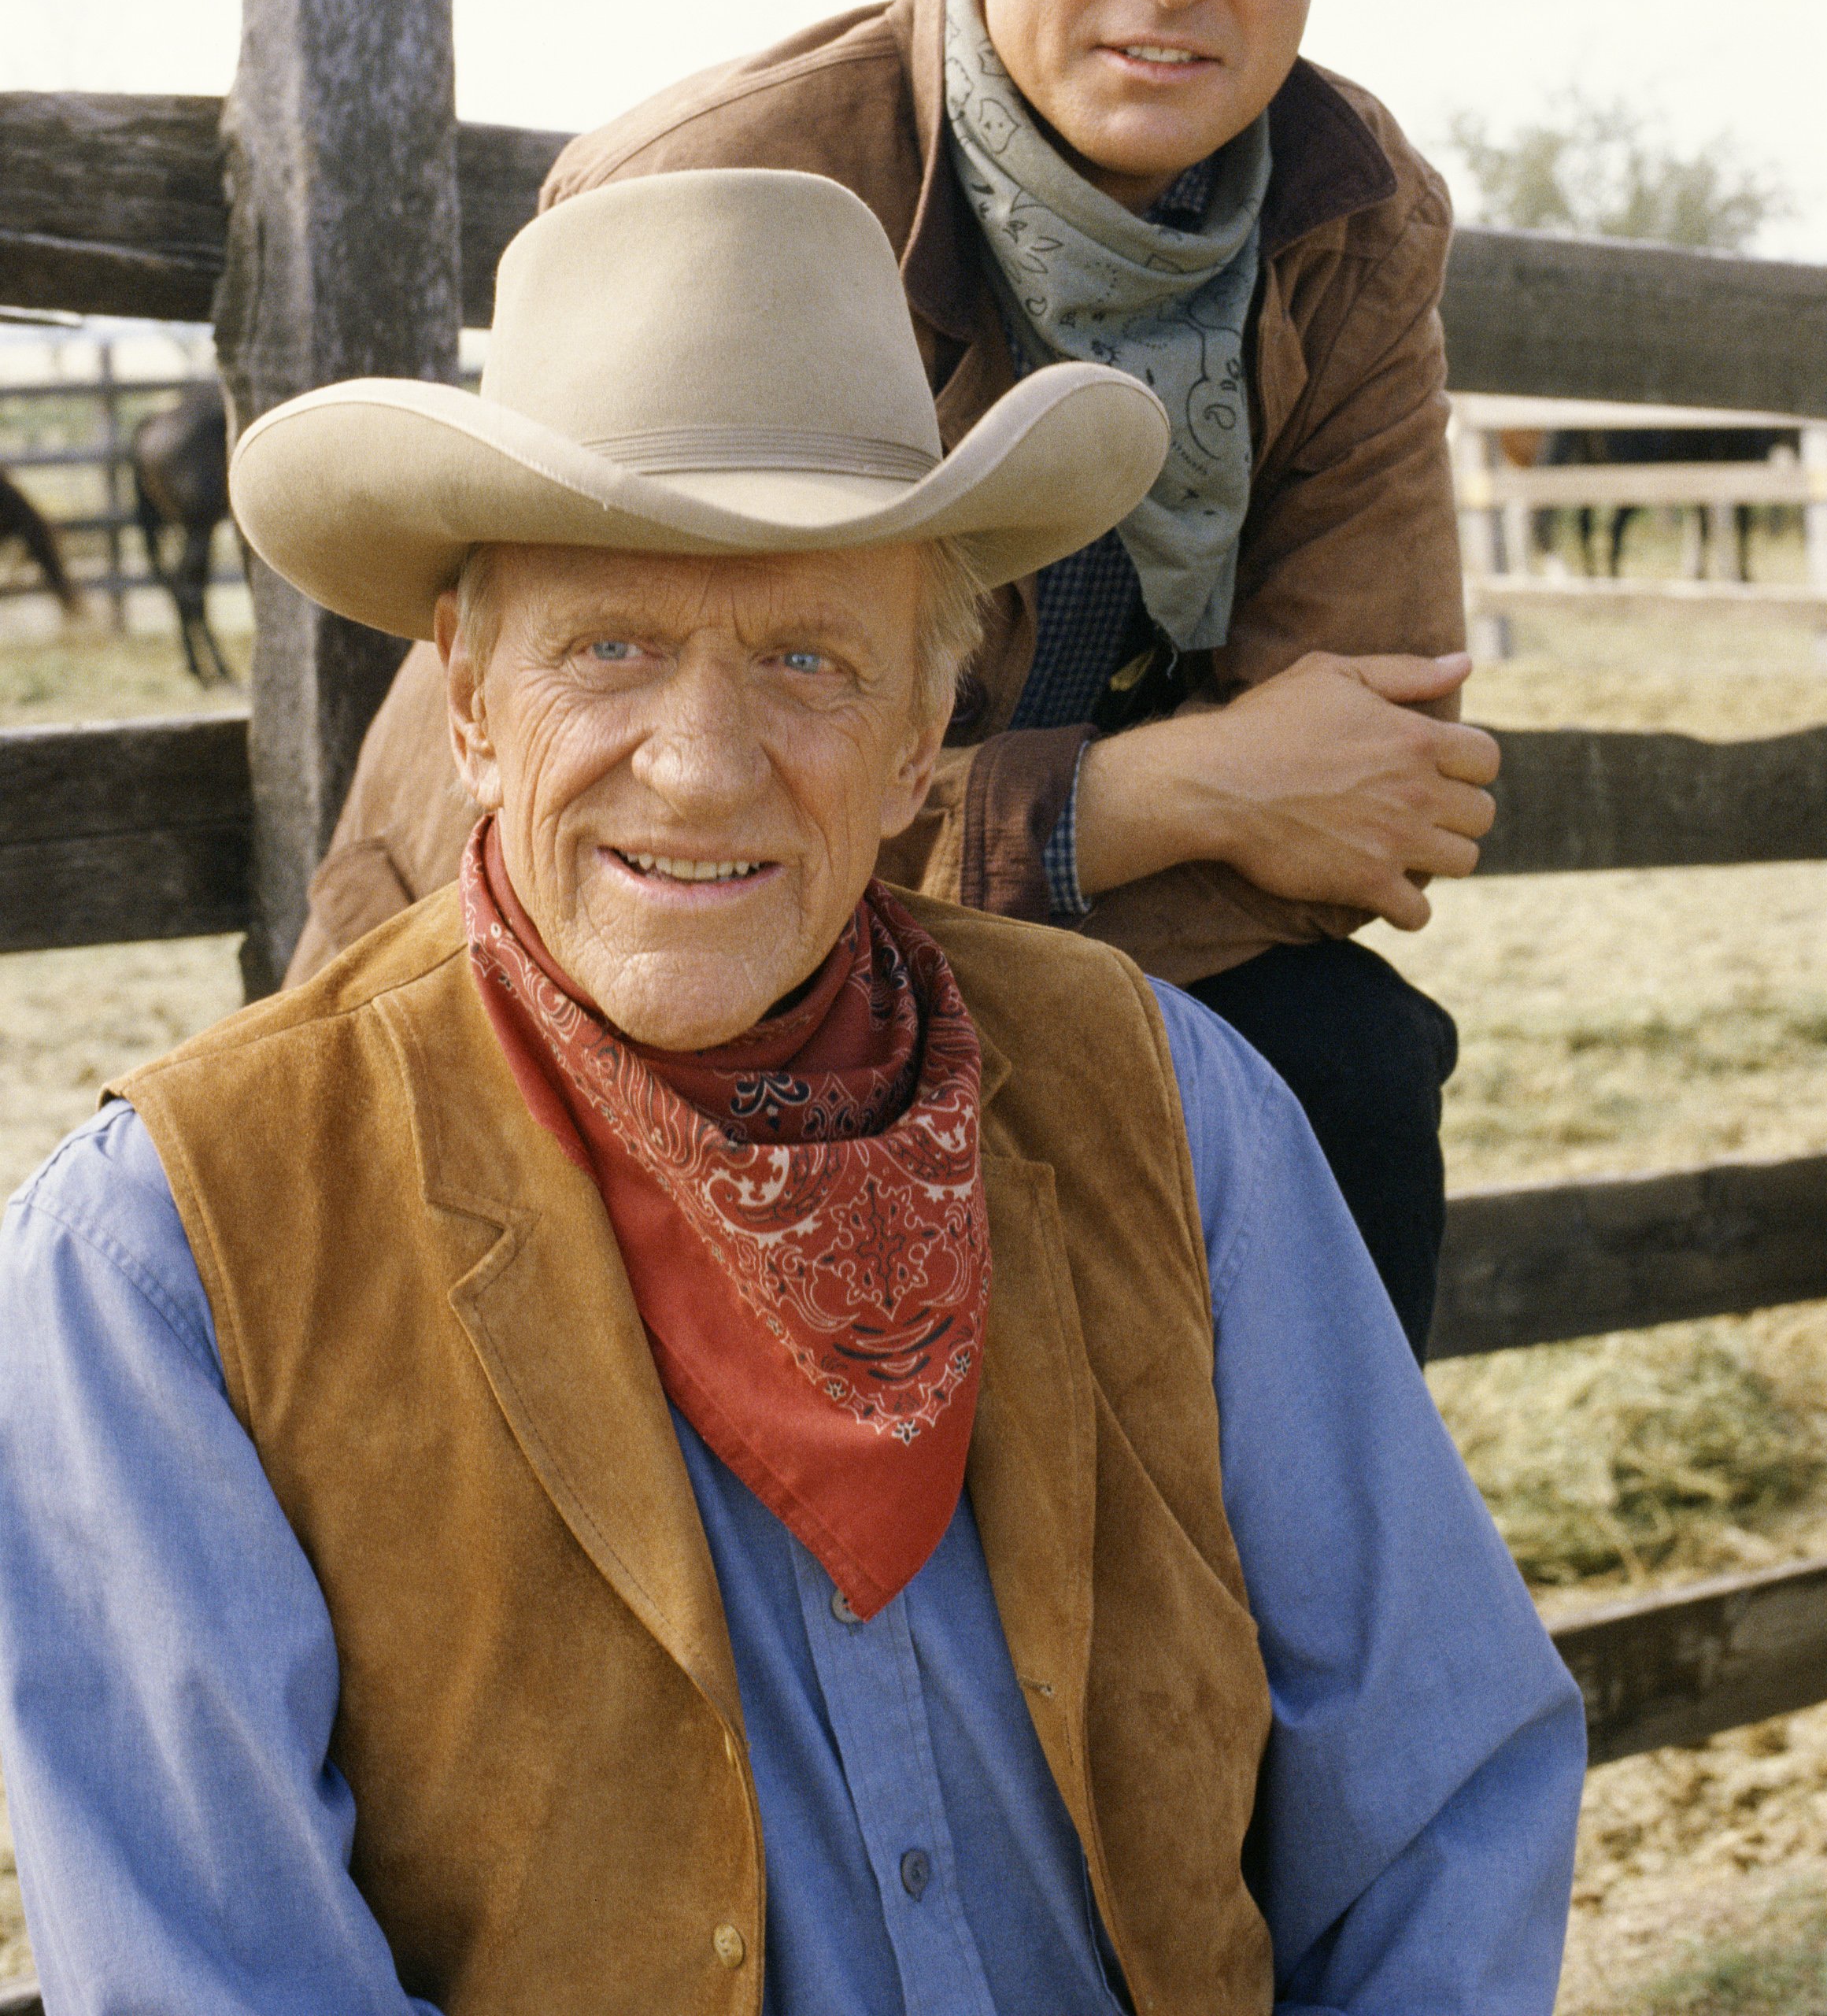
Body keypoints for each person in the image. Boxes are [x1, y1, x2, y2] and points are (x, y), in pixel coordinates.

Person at [0, 172, 1581, 2013]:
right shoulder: (169, 1259)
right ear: (468, 706)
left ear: (926, 734)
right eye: (609, 649)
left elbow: (1439, 1801)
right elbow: (227, 1980)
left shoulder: (1170, 1109)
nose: (699, 766)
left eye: (808, 662)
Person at [288, 0, 1504, 1358]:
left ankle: (1290, 1636)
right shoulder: (742, 185)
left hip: (994, 918)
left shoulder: (1349, 211)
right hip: (642, 931)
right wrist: (1160, 794)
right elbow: (665, 802)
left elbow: (1372, 797)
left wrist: (1080, 851)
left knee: (1336, 1068)